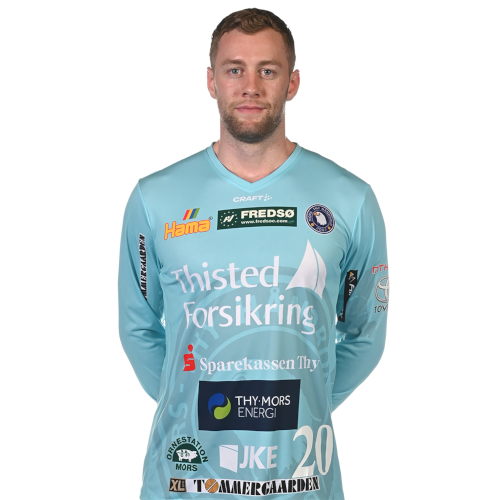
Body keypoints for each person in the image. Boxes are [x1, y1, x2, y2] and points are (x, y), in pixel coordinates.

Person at [118, 8, 388, 500]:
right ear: (211, 81)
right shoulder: (153, 198)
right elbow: (137, 327)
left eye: (267, 70)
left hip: (303, 481)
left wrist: (308, 404)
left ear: (293, 83)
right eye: (234, 69)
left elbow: (367, 333)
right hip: (184, 479)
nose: (250, 86)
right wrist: (188, 404)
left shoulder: (350, 198)